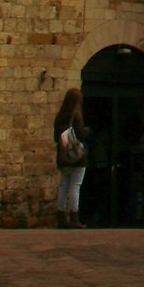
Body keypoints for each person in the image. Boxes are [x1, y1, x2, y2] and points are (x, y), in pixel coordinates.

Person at [53, 87, 90, 228]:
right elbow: (81, 134)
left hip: (63, 157)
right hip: (76, 157)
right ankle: (74, 217)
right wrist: (88, 131)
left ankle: (61, 217)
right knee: (75, 186)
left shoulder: (60, 116)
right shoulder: (76, 115)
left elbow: (56, 138)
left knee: (64, 186)